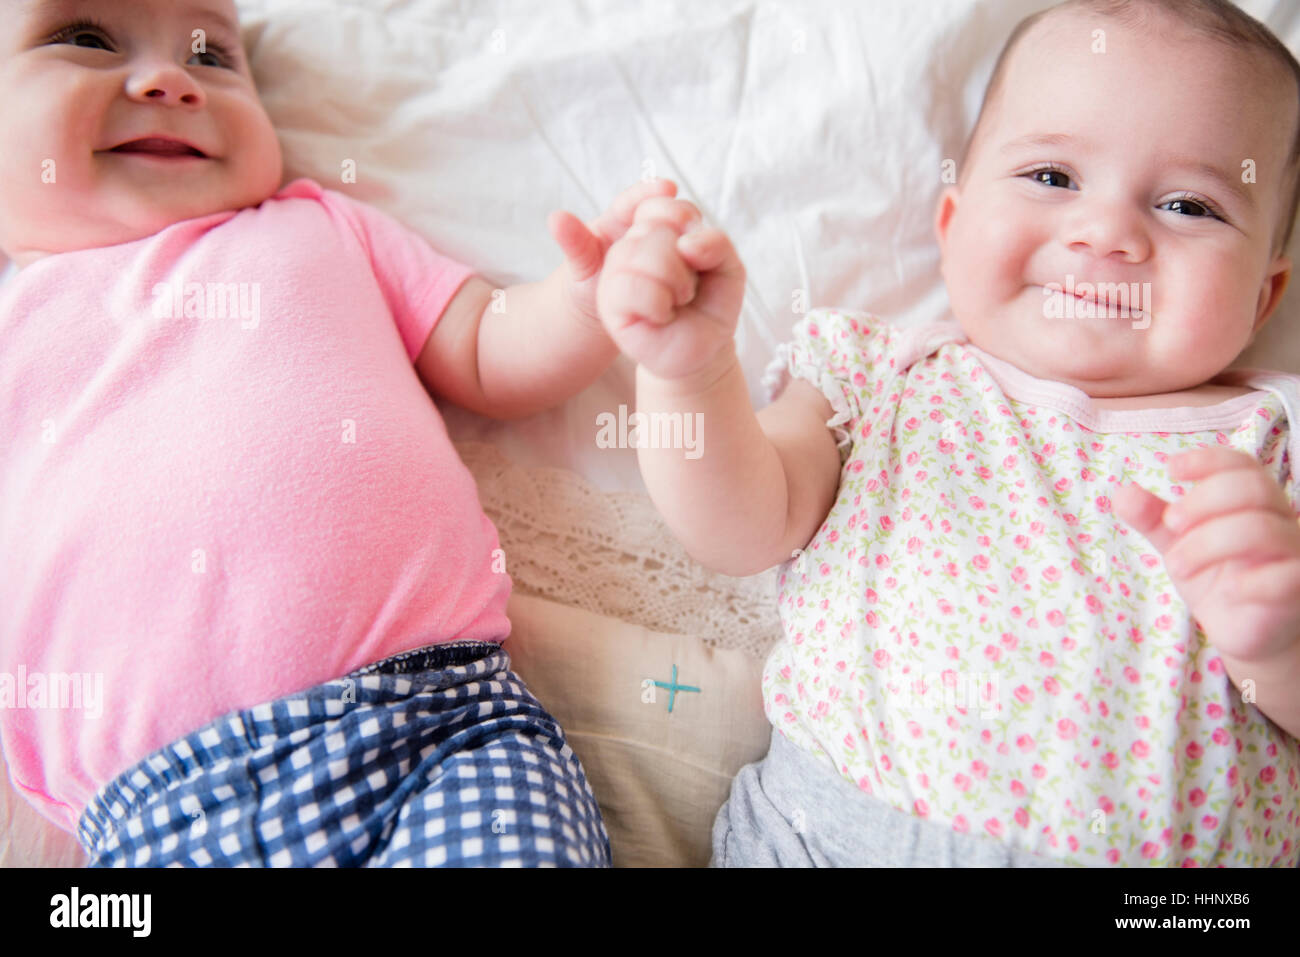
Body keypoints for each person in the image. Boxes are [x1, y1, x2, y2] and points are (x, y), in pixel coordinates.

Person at [596, 0, 1300, 866]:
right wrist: (691, 376)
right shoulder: (882, 380)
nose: (1109, 233)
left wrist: (1278, 639)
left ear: (1265, 297)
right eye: (1052, 177)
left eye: (1190, 204)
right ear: (951, 223)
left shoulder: (1274, 445)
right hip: (832, 841)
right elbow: (739, 524)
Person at [0, 0, 699, 867]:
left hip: (437, 730)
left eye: (211, 53)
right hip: (160, 817)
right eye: (84, 39)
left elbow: (485, 346)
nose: (170, 80)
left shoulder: (317, 225)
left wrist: (588, 298)